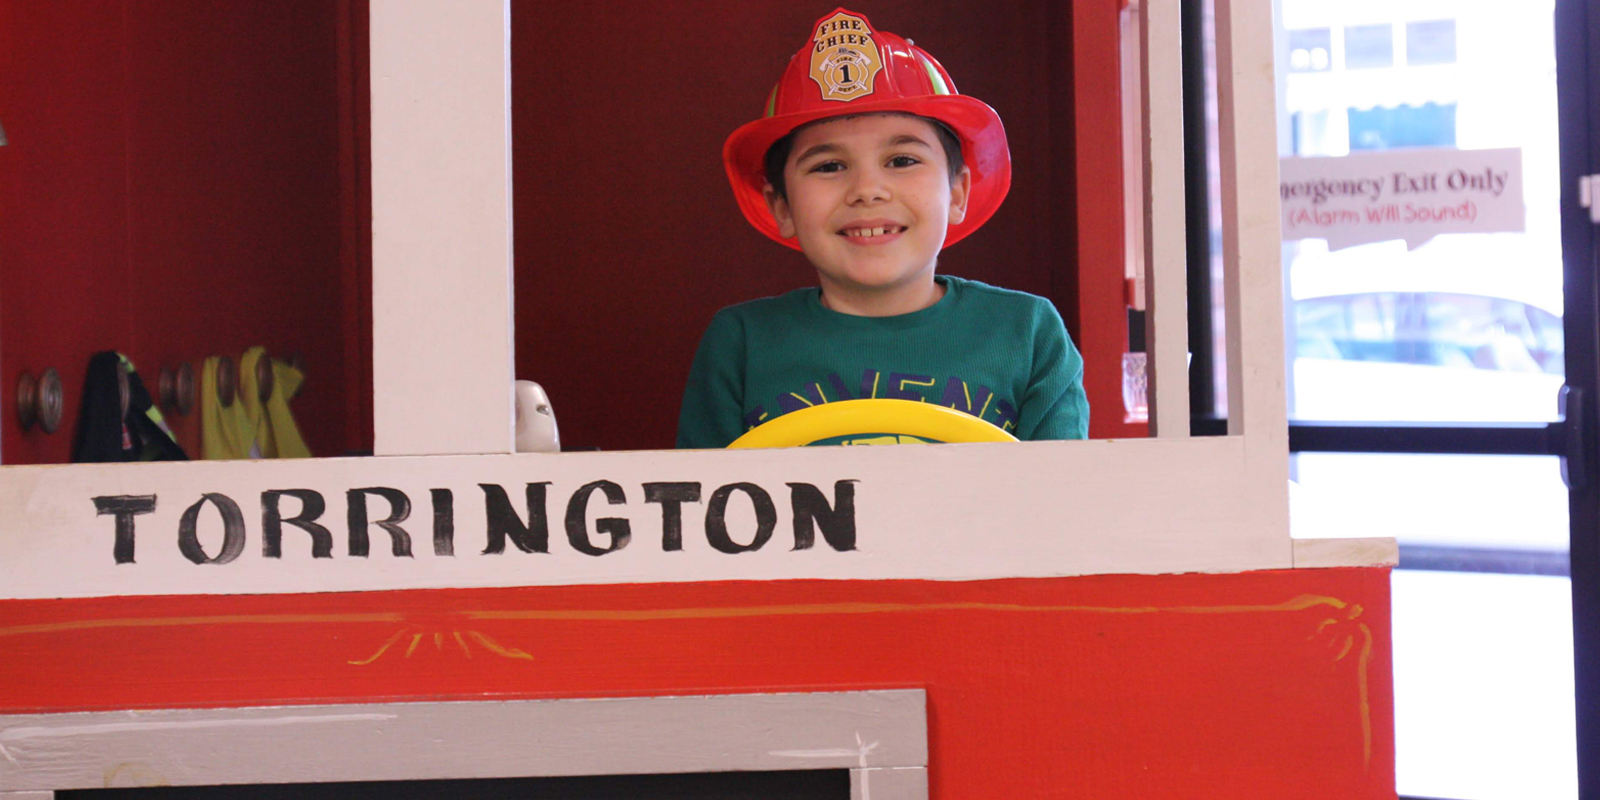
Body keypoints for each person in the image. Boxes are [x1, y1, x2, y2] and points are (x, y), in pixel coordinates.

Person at [676, 8, 1089, 448]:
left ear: (957, 192)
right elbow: (701, 508)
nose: (867, 190)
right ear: (782, 206)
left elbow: (1064, 504)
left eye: (902, 161)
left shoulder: (1026, 332)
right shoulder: (740, 343)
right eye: (829, 166)